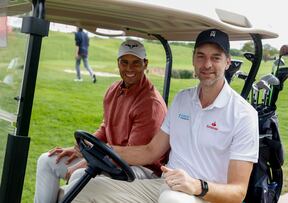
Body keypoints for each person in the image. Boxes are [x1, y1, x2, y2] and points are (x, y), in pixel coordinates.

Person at [68, 28, 259, 203]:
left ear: (227, 62)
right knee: (86, 187)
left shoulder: (243, 114)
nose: (207, 64)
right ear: (193, 59)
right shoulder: (182, 100)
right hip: (163, 186)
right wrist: (102, 149)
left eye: (215, 58)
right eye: (201, 56)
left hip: (206, 196)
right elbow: (150, 151)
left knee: (172, 199)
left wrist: (196, 185)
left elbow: (238, 192)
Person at [34, 39, 168, 203]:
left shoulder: (150, 104)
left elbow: (133, 154)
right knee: (47, 160)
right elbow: (106, 128)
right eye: (124, 62)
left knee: (78, 176)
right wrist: (80, 150)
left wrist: (85, 162)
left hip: (140, 170)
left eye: (136, 63)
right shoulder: (114, 90)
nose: (129, 68)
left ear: (145, 64)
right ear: (118, 63)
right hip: (111, 156)